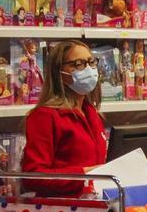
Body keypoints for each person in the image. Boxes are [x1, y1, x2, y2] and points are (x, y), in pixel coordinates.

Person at [21, 40, 107, 196]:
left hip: (95, 204)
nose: (88, 69)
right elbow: (33, 178)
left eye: (91, 62)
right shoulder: (45, 116)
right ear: (59, 72)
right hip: (64, 210)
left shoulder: (91, 112)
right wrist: (84, 174)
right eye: (78, 64)